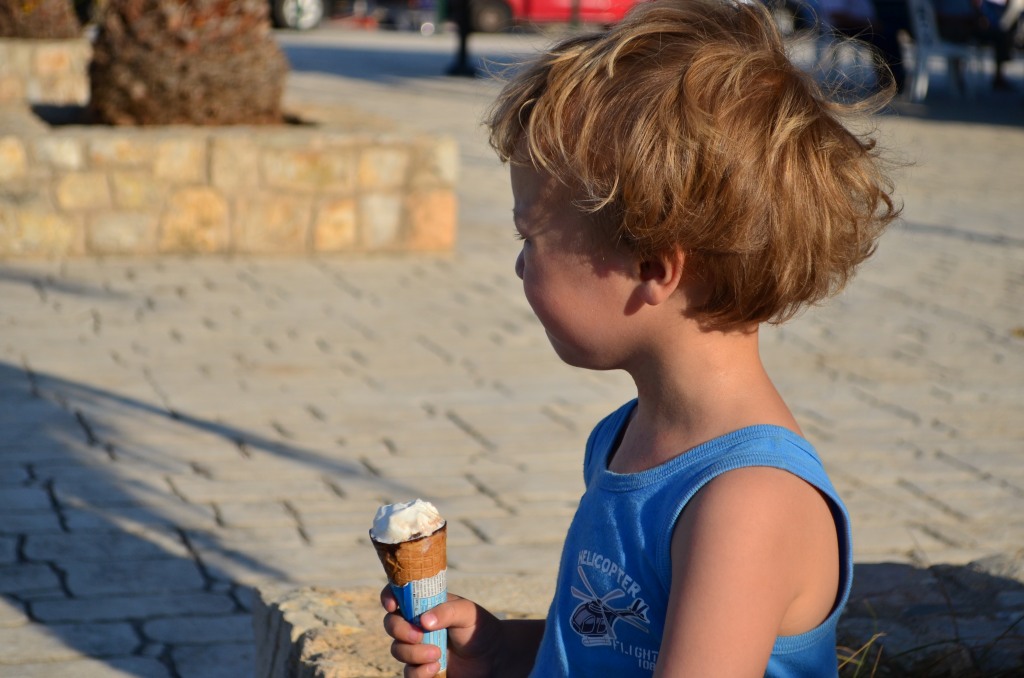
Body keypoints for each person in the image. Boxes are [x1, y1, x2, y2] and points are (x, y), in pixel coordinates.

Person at [381, 0, 900, 675]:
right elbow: (611, 644)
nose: (518, 265)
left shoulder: (745, 505)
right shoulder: (626, 436)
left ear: (653, 267)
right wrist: (504, 650)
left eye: (530, 237)